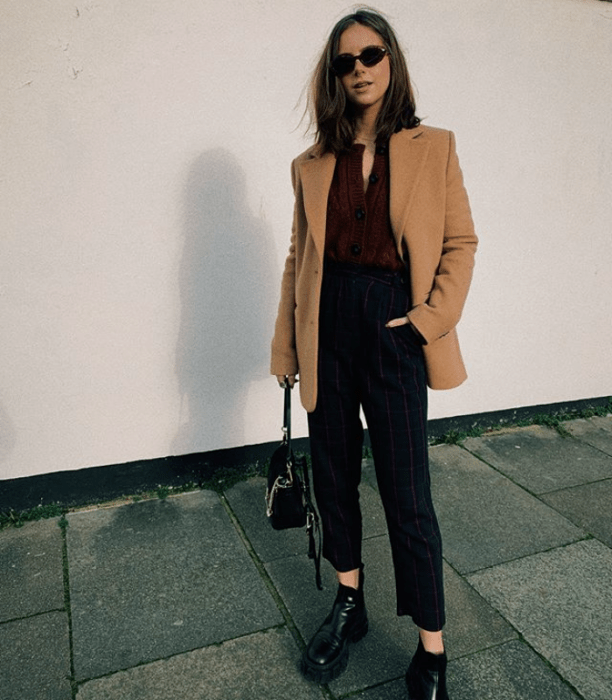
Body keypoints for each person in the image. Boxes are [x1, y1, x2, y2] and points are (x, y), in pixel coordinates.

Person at [270, 9, 477, 699]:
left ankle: (432, 650)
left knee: (407, 493)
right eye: (344, 61)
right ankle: (350, 603)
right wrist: (287, 346)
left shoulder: (433, 147)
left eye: (371, 54)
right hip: (327, 328)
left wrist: (424, 323)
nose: (359, 68)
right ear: (332, 75)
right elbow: (299, 258)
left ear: (392, 61)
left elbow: (459, 243)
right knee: (332, 477)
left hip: (392, 327)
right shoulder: (311, 163)